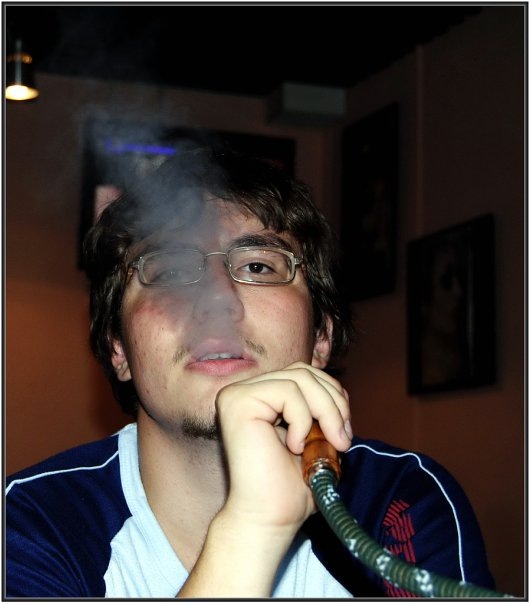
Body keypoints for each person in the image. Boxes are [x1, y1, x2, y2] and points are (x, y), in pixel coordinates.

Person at [6, 144, 495, 598]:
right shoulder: (32, 523)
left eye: (259, 266)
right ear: (119, 348)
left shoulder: (396, 498)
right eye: (170, 271)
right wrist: (254, 528)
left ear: (321, 336)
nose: (217, 300)